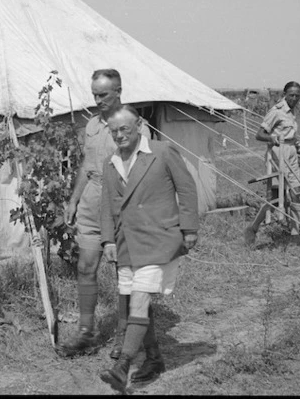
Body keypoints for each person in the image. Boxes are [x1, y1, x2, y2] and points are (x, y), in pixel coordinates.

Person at [98, 105, 198, 392]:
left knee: (140, 298)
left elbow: (187, 188)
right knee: (133, 303)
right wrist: (107, 240)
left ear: (140, 125)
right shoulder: (110, 163)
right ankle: (154, 360)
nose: (118, 135)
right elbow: (107, 205)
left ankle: (123, 365)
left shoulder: (162, 152)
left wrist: (189, 228)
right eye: (113, 130)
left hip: (158, 239)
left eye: (124, 129)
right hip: (127, 242)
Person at [57, 69, 150, 358]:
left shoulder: (135, 126)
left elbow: (142, 170)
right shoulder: (93, 125)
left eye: (103, 95)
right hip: (90, 201)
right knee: (85, 267)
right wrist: (74, 200)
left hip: (120, 203)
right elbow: (87, 163)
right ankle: (86, 331)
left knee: (124, 273)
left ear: (119, 91)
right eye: (94, 94)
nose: (97, 100)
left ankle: (125, 337)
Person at [244, 81, 300, 246]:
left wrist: (297, 145)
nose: (294, 98)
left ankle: (295, 233)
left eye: (297, 96)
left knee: (296, 192)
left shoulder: (292, 112)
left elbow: (289, 133)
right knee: (275, 198)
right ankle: (253, 228)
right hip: (278, 155)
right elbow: (259, 134)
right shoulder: (276, 111)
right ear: (285, 94)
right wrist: (271, 138)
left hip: (291, 154)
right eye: (291, 95)